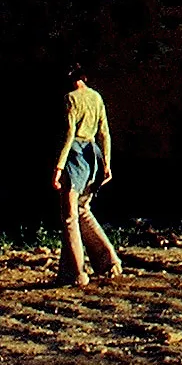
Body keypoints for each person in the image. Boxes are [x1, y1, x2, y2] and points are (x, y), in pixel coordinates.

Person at [52, 65, 122, 287]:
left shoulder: (70, 99)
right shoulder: (96, 97)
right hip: (93, 155)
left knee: (70, 217)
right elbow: (104, 132)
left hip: (75, 157)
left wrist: (59, 167)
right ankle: (109, 262)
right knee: (83, 211)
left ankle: (76, 273)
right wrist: (107, 164)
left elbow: (70, 133)